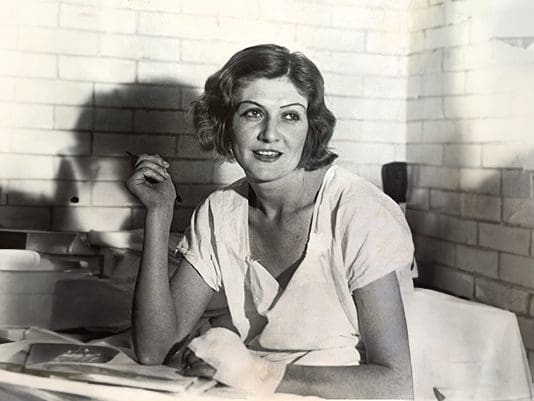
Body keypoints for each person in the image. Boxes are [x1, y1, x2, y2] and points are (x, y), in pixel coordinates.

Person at [126, 44, 415, 399]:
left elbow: (397, 385)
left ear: (311, 128)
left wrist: (259, 373)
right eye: (252, 113)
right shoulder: (222, 212)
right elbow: (154, 349)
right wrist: (159, 213)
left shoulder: (357, 211)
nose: (270, 133)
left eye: (290, 116)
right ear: (225, 124)